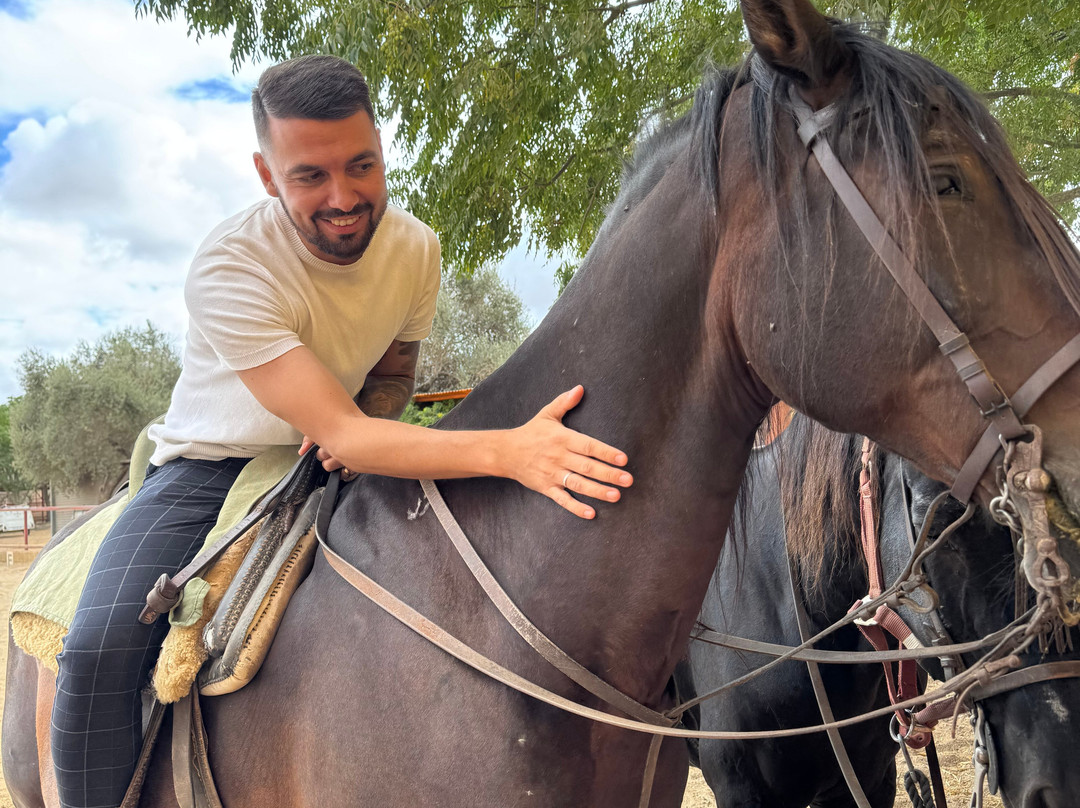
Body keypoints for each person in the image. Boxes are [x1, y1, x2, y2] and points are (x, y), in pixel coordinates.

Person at [50, 54, 632, 808]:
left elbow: (389, 379)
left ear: (382, 148)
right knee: (98, 649)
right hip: (212, 468)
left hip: (341, 451)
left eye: (362, 165)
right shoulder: (230, 267)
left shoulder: (415, 248)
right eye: (309, 177)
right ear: (266, 176)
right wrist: (515, 450)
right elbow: (343, 429)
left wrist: (380, 416)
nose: (345, 196)